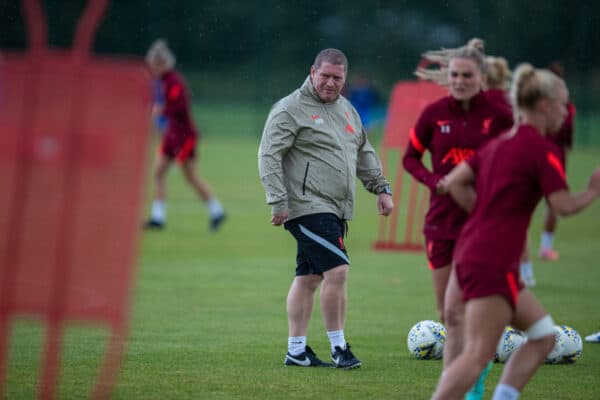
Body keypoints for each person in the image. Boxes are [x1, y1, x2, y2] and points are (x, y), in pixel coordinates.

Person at [431, 63, 600, 400]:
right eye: (563, 104)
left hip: (472, 252)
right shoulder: (542, 149)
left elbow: (453, 182)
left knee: (543, 336)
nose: (567, 113)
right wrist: (593, 190)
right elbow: (562, 205)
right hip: (493, 261)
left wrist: (483, 212)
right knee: (477, 354)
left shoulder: (496, 145)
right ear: (543, 105)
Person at [258, 48, 393, 369]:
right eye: (325, 76)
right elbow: (268, 154)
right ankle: (339, 347)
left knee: (309, 277)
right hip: (305, 206)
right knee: (338, 270)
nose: (331, 83)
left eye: (338, 78)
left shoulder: (347, 110)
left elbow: (363, 151)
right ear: (312, 71)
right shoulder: (290, 109)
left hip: (336, 208)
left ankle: (296, 351)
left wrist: (381, 188)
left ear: (345, 79)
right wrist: (277, 200)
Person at [407, 39, 513, 399]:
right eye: (454, 75)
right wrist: (434, 181)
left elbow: (518, 154)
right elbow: (410, 157)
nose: (460, 81)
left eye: (467, 75)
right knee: (449, 314)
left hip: (483, 226)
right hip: (441, 224)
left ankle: (473, 389)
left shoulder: (499, 115)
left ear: (482, 77)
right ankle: (453, 387)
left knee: (475, 312)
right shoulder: (434, 114)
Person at [143, 39, 226, 232]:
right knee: (158, 172)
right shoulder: (162, 82)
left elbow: (179, 106)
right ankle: (158, 218)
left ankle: (217, 211)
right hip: (172, 136)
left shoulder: (173, 81)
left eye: (154, 65)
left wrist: (160, 110)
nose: (152, 69)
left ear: (161, 63)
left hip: (185, 137)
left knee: (190, 176)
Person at [485, 56, 536, 288]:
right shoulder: (510, 104)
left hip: (488, 173)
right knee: (516, 223)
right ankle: (525, 272)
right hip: (513, 170)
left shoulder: (482, 104)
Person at [538, 62, 576, 262]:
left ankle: (545, 248)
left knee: (553, 205)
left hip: (555, 158)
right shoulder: (535, 105)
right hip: (541, 157)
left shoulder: (567, 107)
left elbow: (567, 140)